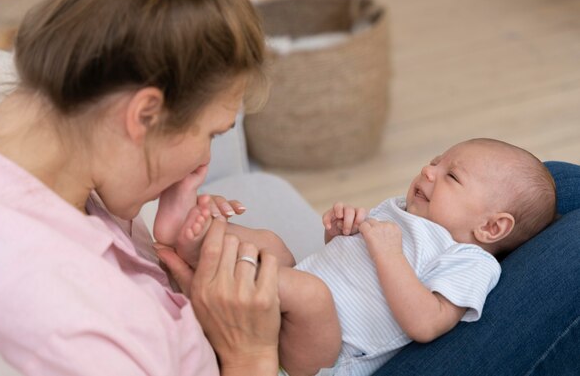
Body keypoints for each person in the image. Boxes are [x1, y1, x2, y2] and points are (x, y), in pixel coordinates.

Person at [0, 0, 284, 375]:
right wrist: (249, 354)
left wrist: (167, 259)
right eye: (213, 133)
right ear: (144, 114)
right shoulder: (79, 329)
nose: (204, 161)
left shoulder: (51, 155)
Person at [156, 138, 557, 376]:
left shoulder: (471, 260)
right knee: (273, 244)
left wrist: (388, 253)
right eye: (436, 161)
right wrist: (338, 235)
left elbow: (427, 322)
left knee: (310, 294)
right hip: (295, 312)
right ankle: (196, 240)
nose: (428, 171)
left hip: (327, 358)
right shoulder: (403, 209)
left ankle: (215, 274)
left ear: (491, 228)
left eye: (451, 176)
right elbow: (346, 273)